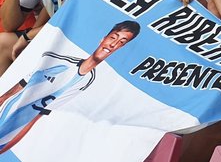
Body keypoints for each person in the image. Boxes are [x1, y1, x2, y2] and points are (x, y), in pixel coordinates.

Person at [0, 21, 141, 154]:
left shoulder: (87, 83)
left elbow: (36, 118)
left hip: (10, 132)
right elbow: (18, 87)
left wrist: (5, 148)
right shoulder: (62, 61)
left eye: (121, 42)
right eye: (113, 38)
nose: (113, 44)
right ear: (103, 39)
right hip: (5, 112)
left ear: (121, 48)